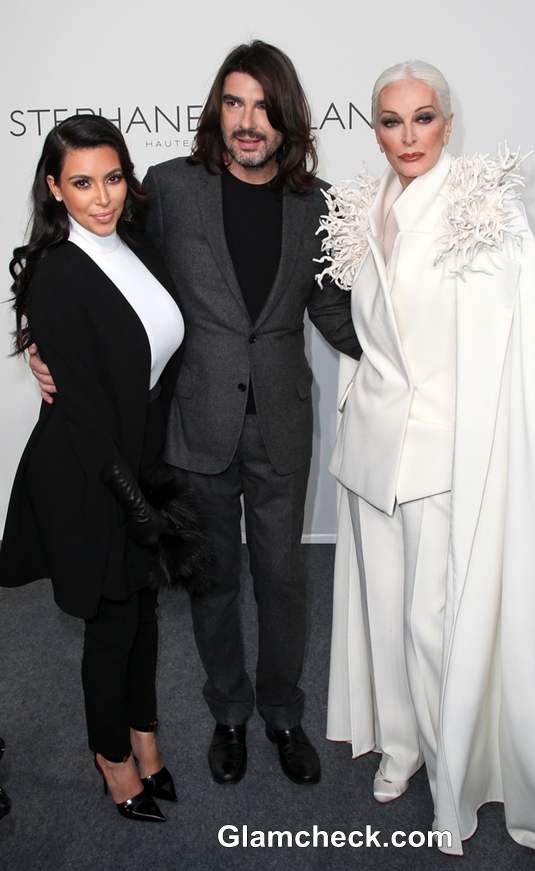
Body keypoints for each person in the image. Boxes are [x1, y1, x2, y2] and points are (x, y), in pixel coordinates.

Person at [28, 41, 361, 787]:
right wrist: (38, 340)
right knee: (211, 580)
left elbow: (337, 314)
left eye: (264, 107)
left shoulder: (320, 205)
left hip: (281, 423)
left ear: (287, 119)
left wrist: (411, 349)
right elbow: (108, 272)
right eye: (235, 103)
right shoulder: (170, 189)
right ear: (218, 109)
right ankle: (230, 715)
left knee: (283, 579)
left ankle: (282, 711)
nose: (248, 122)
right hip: (193, 422)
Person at [320, 61, 535, 864]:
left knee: (435, 627)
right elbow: (361, 332)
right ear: (374, 129)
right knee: (388, 615)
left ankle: (454, 776)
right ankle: (400, 745)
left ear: (447, 122)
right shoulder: (366, 206)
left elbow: (520, 341)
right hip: (373, 451)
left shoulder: (482, 207)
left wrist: (493, 449)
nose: (407, 137)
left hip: (442, 456)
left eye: (422, 119)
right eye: (391, 122)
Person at [0, 115, 187, 822]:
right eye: (82, 182)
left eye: (113, 177)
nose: (102, 196)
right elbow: (81, 410)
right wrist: (132, 502)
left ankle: (145, 736)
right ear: (55, 188)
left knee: (143, 617)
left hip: (137, 462)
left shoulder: (133, 245)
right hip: (88, 474)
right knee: (112, 625)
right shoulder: (57, 273)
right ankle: (112, 758)